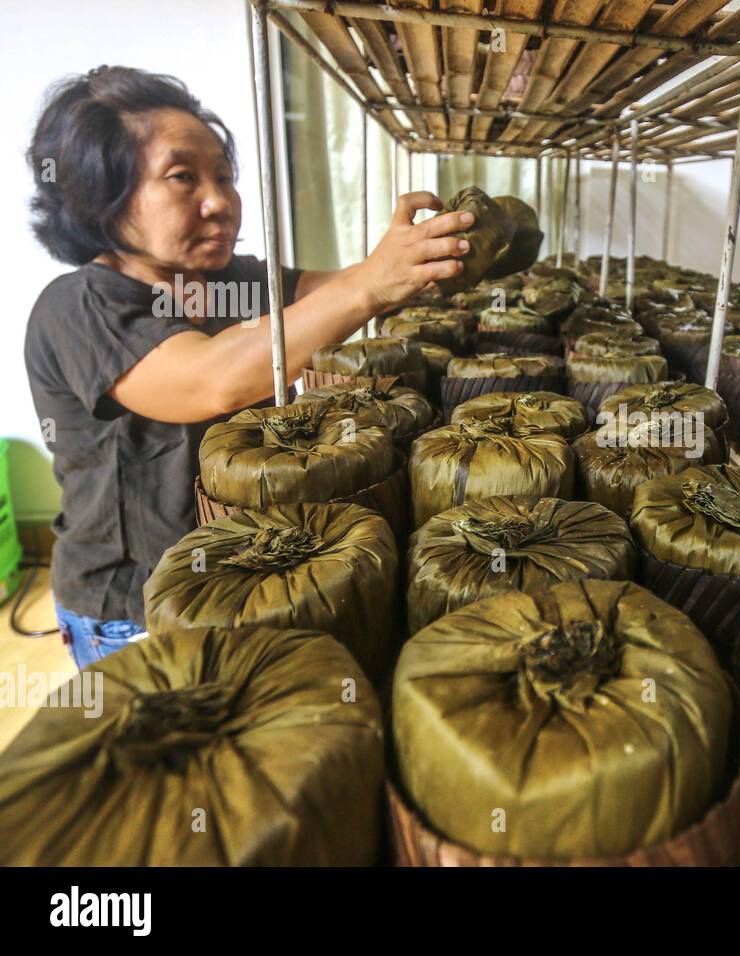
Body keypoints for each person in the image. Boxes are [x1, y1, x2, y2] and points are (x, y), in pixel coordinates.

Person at [24, 66, 470, 668]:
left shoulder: (231, 282)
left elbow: (330, 293)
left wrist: (419, 260)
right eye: (183, 177)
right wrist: (372, 284)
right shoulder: (78, 306)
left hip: (239, 579)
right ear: (99, 195)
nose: (220, 201)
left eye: (225, 177)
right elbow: (214, 378)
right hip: (134, 604)